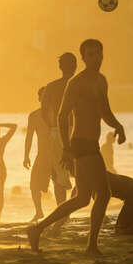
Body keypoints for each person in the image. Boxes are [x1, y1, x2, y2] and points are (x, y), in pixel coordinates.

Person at [27, 39, 126, 256]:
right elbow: (62, 116)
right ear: (83, 58)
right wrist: (66, 148)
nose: (95, 57)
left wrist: (118, 126)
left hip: (91, 144)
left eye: (98, 53)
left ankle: (37, 229)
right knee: (103, 194)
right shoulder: (77, 83)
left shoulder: (101, 81)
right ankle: (91, 245)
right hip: (81, 144)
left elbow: (105, 111)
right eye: (90, 54)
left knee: (82, 197)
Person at [40, 53, 77, 206]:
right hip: (77, 129)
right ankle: (71, 204)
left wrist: (52, 128)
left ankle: (62, 209)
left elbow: (43, 111)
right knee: (81, 171)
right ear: (75, 66)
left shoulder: (51, 87)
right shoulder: (80, 83)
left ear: (60, 67)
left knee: (58, 174)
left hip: (57, 131)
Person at [24, 87, 61, 222]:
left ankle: (61, 213)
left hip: (57, 153)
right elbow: (29, 137)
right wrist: (26, 155)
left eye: (48, 97)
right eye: (43, 97)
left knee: (59, 185)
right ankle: (39, 211)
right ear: (39, 99)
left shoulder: (58, 114)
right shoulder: (34, 116)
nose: (46, 99)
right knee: (34, 185)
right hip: (42, 155)